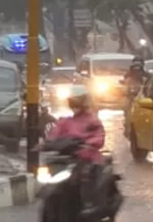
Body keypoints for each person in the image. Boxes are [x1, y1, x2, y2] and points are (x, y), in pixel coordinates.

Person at [46, 84, 107, 212]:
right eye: (73, 102)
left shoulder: (92, 121)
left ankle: (90, 203)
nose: (75, 105)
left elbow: (99, 136)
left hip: (88, 157)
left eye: (78, 101)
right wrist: (46, 143)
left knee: (86, 175)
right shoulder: (65, 121)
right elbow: (54, 134)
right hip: (69, 158)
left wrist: (90, 143)